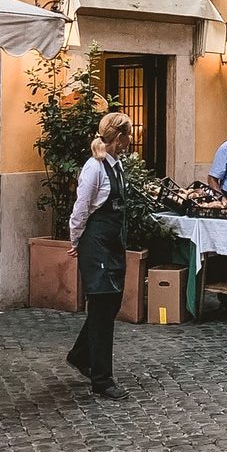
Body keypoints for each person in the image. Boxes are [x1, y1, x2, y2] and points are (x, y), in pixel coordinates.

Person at [66, 112, 132, 400]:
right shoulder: (94, 168)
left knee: (109, 305)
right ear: (119, 138)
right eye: (128, 136)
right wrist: (75, 239)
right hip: (96, 244)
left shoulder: (115, 165)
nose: (130, 141)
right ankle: (102, 379)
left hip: (112, 242)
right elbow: (81, 208)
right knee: (103, 306)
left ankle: (81, 355)